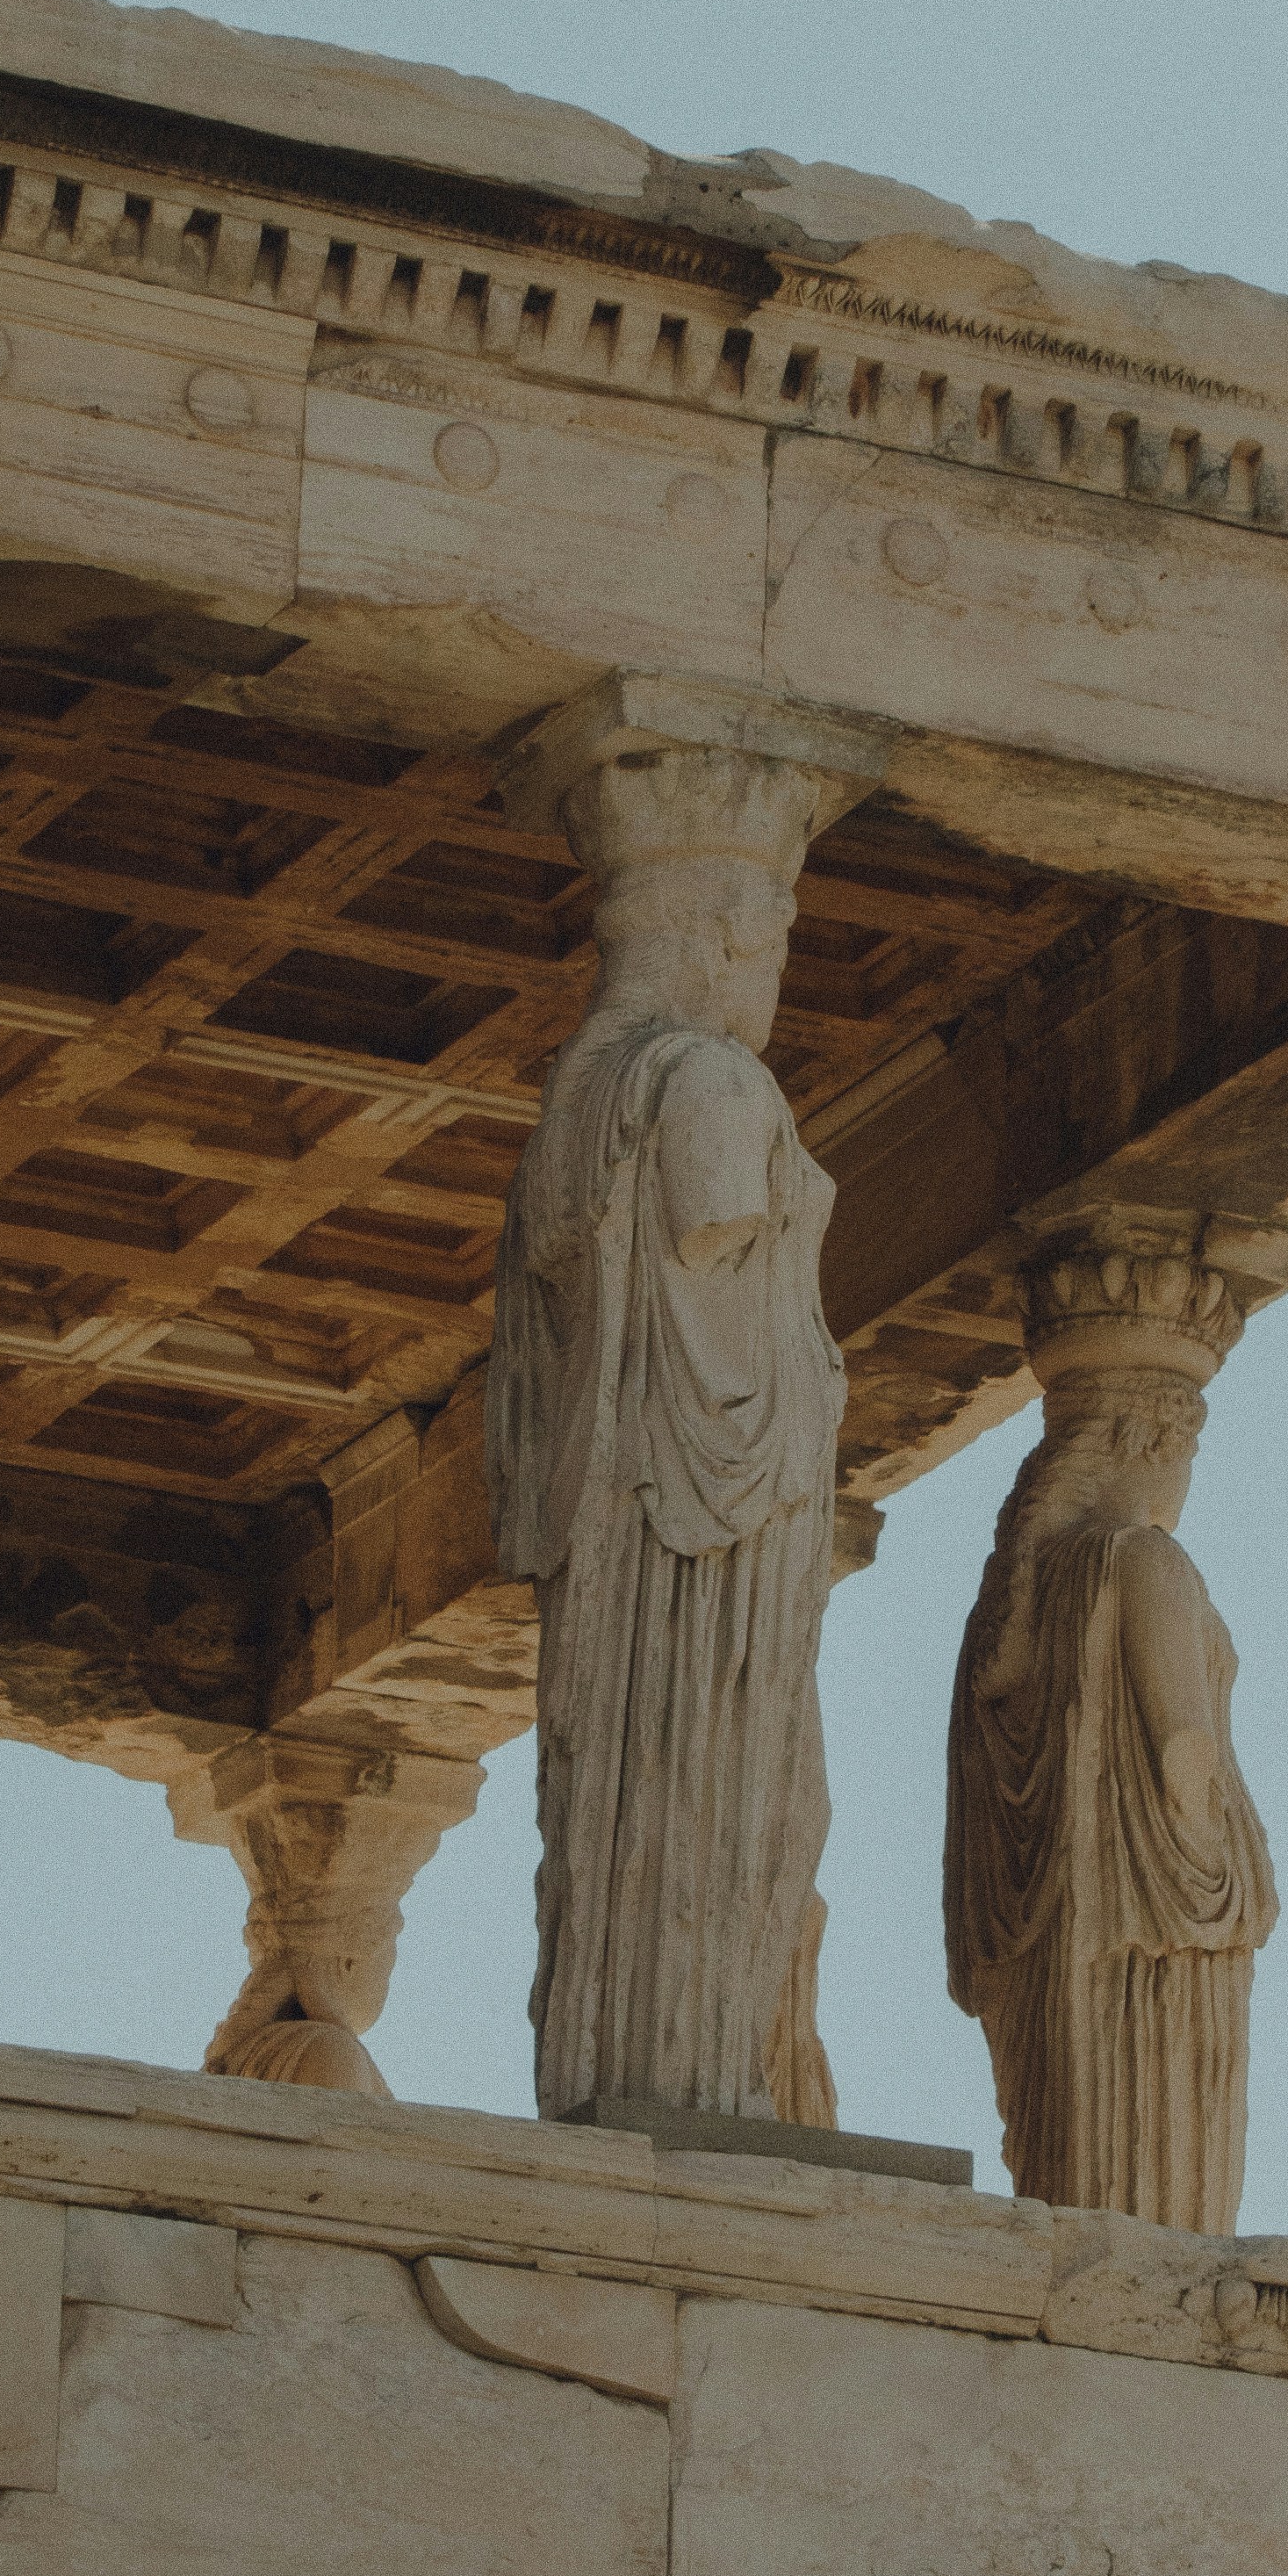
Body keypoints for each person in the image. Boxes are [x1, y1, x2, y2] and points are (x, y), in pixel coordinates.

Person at [489, 751, 842, 2120]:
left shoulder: (580, 1099)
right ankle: (690, 2089)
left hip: (620, 1520)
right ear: (729, 933)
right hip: (715, 1523)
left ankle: (630, 2066)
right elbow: (722, 1244)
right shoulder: (711, 1083)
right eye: (776, 944)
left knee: (633, 1801)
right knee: (736, 1809)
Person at [946, 1266, 1275, 2230]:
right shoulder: (1144, 1560)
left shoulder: (1005, 1609)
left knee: (1070, 2184)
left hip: (1053, 1960)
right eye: (1187, 1446)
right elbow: (1183, 1746)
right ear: (1147, 1438)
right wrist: (1226, 1868)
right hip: (1154, 1935)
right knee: (1160, 2212)